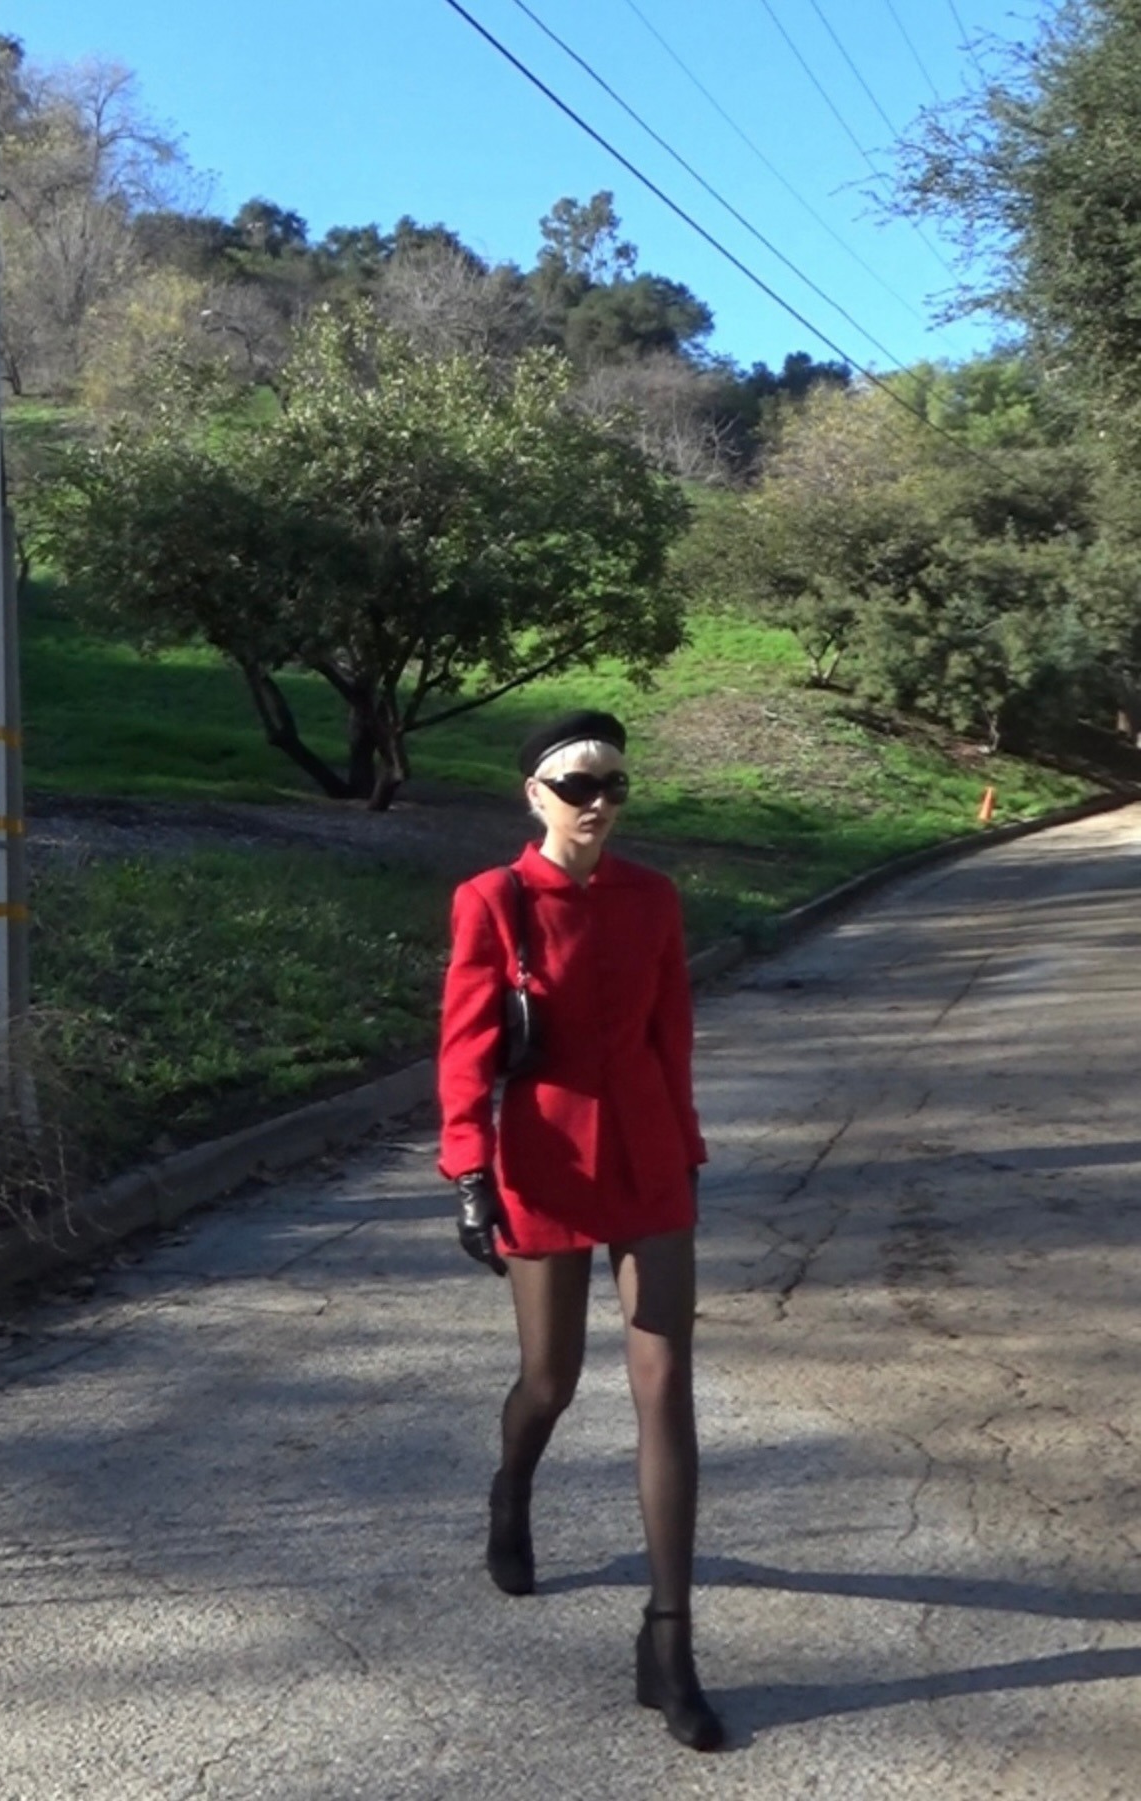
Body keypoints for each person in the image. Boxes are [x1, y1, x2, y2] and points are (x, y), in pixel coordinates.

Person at [436, 709, 724, 1754]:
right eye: (576, 784)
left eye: (613, 783)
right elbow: (466, 1045)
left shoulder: (654, 899)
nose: (598, 800)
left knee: (665, 1386)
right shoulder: (496, 900)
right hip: (544, 1158)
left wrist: (686, 1145)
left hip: (649, 1161)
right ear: (534, 796)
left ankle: (670, 1643)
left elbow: (671, 1031)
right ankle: (513, 1485)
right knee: (549, 1379)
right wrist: (467, 1168)